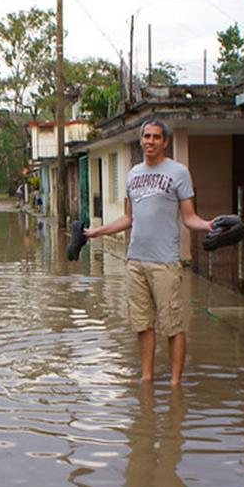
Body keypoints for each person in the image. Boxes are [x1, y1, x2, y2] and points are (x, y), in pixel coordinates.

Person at [83, 119, 213, 385]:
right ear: (141, 140)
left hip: (165, 262)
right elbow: (128, 218)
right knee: (142, 324)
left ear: (164, 142)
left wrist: (209, 225)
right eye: (146, 136)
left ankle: (176, 384)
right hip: (136, 261)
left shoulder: (178, 172)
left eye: (155, 137)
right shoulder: (132, 174)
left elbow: (189, 217)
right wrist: (98, 232)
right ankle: (147, 378)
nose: (150, 141)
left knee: (172, 324)